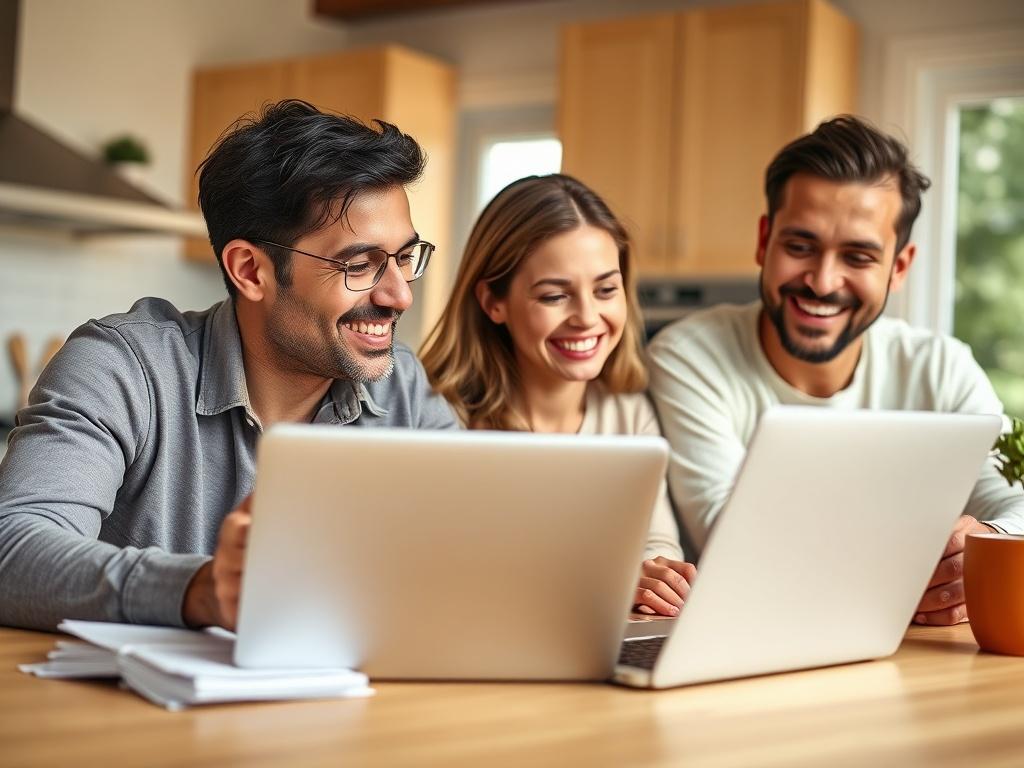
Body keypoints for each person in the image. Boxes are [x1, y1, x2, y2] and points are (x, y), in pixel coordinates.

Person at [0, 100, 456, 632]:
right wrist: (198, 590)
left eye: (405, 257)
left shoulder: (402, 387)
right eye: (360, 265)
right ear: (250, 270)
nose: (400, 295)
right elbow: (13, 550)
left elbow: (482, 542)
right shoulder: (123, 366)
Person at [647, 115, 1024, 627]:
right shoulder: (690, 358)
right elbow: (729, 537)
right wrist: (906, 565)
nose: (823, 282)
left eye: (858, 256)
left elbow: (1016, 500)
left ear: (900, 267)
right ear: (764, 241)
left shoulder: (941, 367)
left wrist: (979, 549)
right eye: (800, 247)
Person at [420, 174, 694, 617]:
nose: (587, 317)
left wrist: (655, 575)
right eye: (554, 296)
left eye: (606, 289)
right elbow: (446, 572)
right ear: (493, 301)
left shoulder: (629, 413)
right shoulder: (440, 417)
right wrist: (607, 579)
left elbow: (656, 541)